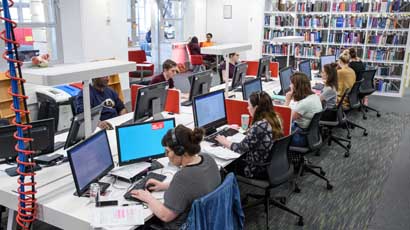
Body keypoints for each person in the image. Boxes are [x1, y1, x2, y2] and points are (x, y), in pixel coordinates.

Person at [131, 125, 221, 229]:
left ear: (180, 151)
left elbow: (166, 216)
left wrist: (148, 198)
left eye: (168, 151)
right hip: (210, 220)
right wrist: (164, 186)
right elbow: (194, 186)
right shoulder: (207, 158)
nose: (166, 155)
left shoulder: (183, 177)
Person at [215, 91, 283, 179]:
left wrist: (224, 141)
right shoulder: (275, 118)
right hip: (271, 164)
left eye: (249, 105)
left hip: (256, 169)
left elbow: (240, 148)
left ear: (256, 108)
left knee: (225, 165)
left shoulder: (259, 126)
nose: (247, 108)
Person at [284, 72, 322, 146]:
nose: (290, 86)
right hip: (310, 134)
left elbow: (286, 121)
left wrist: (287, 101)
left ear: (297, 86)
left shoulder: (304, 104)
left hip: (300, 137)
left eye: (291, 84)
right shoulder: (314, 96)